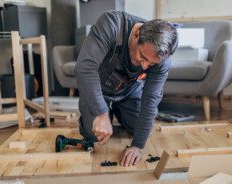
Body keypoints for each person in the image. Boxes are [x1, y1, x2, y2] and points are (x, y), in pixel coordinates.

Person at [74, 10, 178, 167]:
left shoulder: (162, 60)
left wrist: (137, 146)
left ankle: (117, 111)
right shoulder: (112, 24)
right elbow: (84, 68)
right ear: (137, 34)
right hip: (98, 90)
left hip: (129, 92)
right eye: (143, 57)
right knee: (93, 134)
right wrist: (101, 113)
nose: (144, 66)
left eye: (150, 64)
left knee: (141, 129)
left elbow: (151, 100)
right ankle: (104, 112)